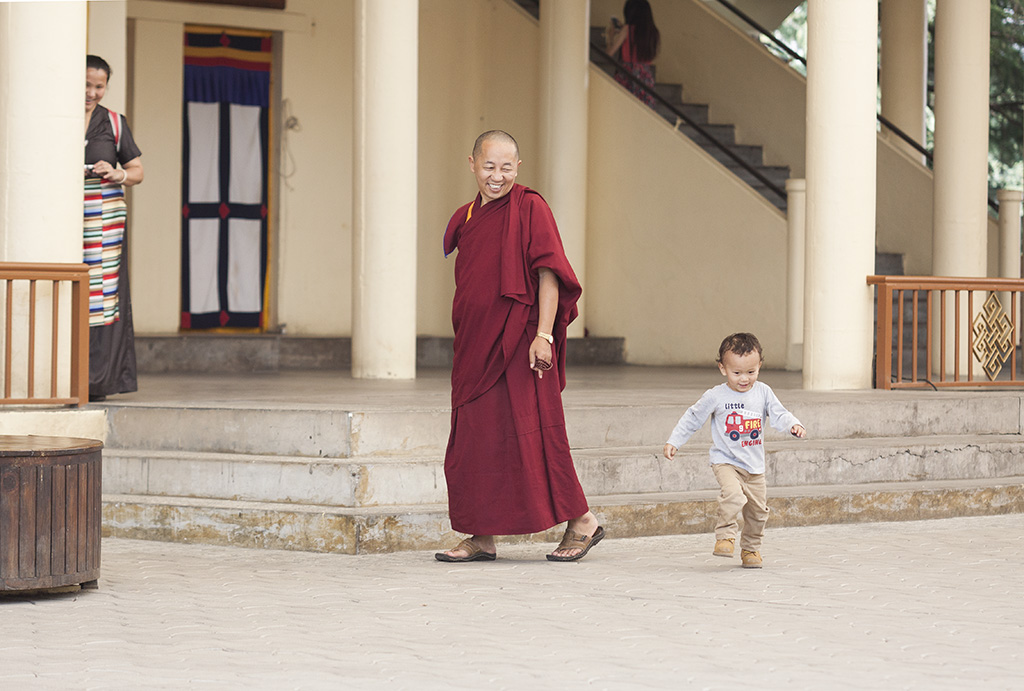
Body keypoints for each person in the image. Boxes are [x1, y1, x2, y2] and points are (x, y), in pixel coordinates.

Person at [435, 130, 604, 563]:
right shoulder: (468, 216)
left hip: (520, 341)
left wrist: (543, 335)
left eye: (506, 167)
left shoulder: (530, 207)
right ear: (471, 163)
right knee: (477, 438)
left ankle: (582, 520)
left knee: (538, 432)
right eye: (489, 166)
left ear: (519, 168)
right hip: (476, 345)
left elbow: (549, 273)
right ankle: (481, 534)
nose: (498, 176)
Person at [662, 333, 805, 569]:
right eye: (736, 373)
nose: (744, 379)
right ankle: (725, 536)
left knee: (758, 512)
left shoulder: (763, 392)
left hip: (755, 466)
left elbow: (779, 413)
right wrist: (674, 441)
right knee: (734, 495)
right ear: (722, 368)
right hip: (726, 461)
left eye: (751, 372)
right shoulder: (716, 395)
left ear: (759, 366)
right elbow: (693, 417)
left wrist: (793, 425)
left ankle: (751, 549)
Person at [84, 55, 144, 401]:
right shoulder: (55, 115)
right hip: (64, 219)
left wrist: (117, 172)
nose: (92, 93)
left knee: (103, 299)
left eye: (99, 86)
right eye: (86, 85)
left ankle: (98, 379)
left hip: (104, 224)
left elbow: (137, 171)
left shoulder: (114, 123)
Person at [606, 0, 660, 107]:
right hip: (646, 78)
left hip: (627, 75)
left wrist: (610, 36)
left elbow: (609, 54)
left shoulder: (627, 30)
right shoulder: (653, 32)